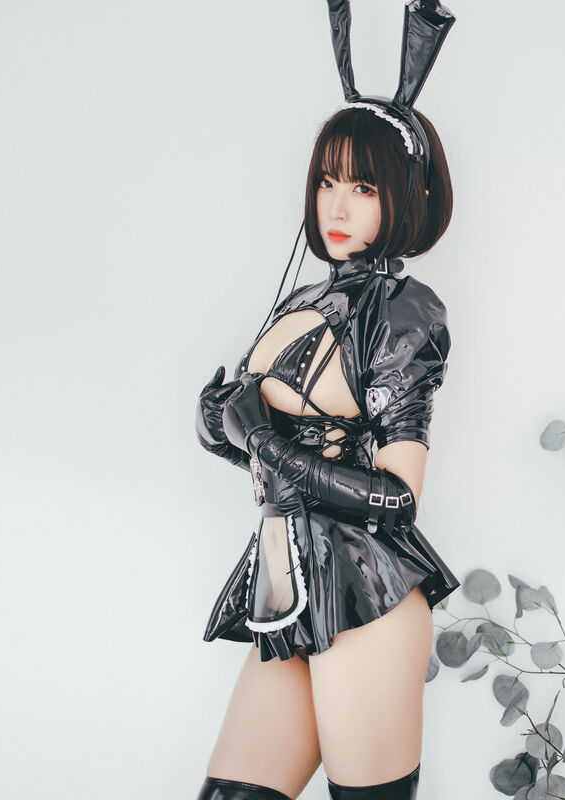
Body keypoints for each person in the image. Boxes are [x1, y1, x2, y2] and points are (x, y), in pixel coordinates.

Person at [193, 4, 458, 798]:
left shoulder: (405, 312)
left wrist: (262, 441)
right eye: (327, 181)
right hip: (287, 591)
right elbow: (269, 437)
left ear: (402, 196)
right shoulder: (303, 298)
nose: (337, 207)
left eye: (363, 187)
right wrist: (219, 424)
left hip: (367, 596)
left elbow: (397, 497)